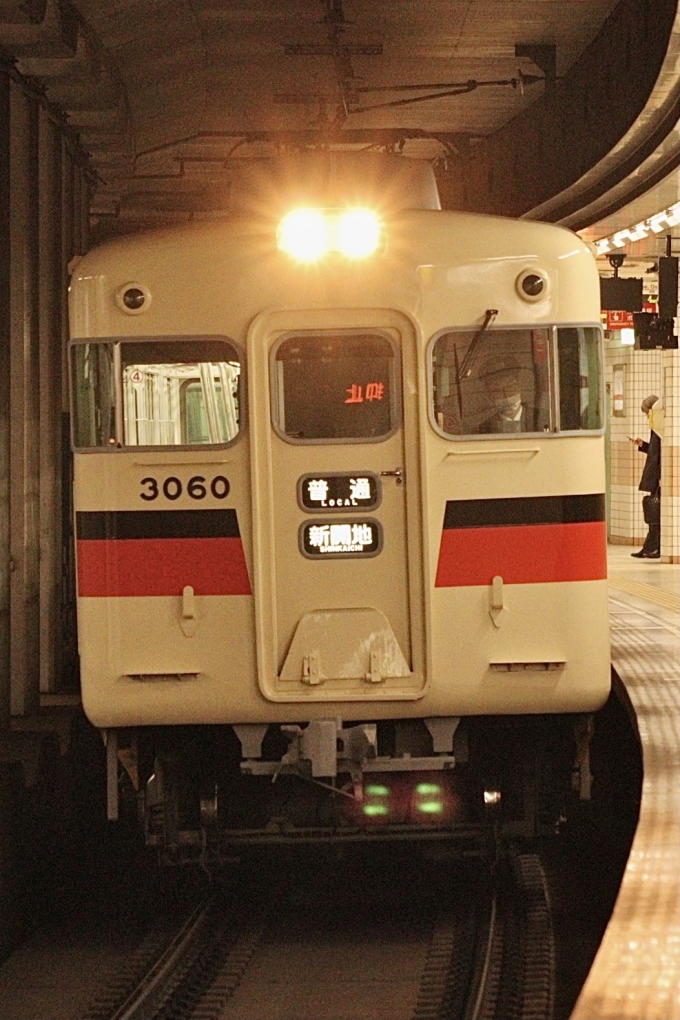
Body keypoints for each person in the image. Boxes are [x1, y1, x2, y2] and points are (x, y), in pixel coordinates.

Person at [630, 394, 661, 559]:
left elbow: (661, 454)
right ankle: (651, 547)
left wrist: (662, 476)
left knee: (655, 514)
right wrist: (642, 445)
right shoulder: (656, 427)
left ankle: (653, 547)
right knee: (654, 514)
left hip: (658, 477)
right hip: (656, 476)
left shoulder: (660, 428)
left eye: (647, 412)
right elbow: (655, 451)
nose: (646, 416)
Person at [478, 356, 531, 433]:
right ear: (489, 395)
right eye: (497, 391)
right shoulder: (484, 429)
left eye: (510, 387)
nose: (506, 396)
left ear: (519, 387)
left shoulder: (542, 419)